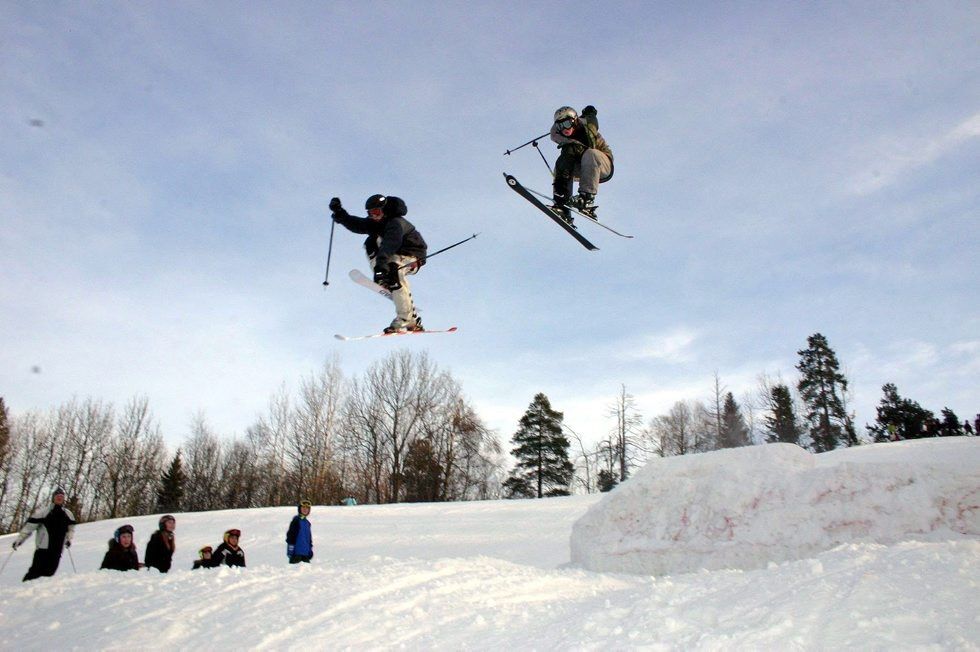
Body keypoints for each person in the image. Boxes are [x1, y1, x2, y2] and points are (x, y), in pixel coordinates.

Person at [330, 194, 428, 333]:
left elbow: (390, 244)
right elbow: (356, 224)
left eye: (376, 212)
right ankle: (388, 280)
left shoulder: (395, 223)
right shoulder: (375, 223)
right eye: (370, 213)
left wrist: (382, 266)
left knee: (394, 270)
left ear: (385, 210)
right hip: (392, 255)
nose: (374, 216)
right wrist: (339, 213)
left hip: (411, 255)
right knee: (370, 242)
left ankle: (406, 319)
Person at [549, 105, 613, 221]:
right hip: (584, 168)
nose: (565, 129)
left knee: (590, 153)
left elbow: (592, 124)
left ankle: (586, 199)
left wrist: (590, 114)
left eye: (567, 123)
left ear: (574, 121)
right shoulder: (565, 140)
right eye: (560, 126)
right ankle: (562, 205)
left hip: (603, 165)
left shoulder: (587, 129)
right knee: (561, 165)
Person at [12, 487, 76, 582]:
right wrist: (19, 540)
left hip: (57, 549)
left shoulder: (67, 514)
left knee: (50, 572)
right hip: (43, 548)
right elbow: (29, 527)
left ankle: (40, 591)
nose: (59, 498)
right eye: (57, 496)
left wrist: (69, 540)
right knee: (35, 571)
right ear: (53, 498)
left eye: (61, 496)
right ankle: (25, 587)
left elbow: (71, 529)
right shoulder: (43, 512)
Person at [286, 500, 314, 564]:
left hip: (306, 555)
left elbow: (309, 539)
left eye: (307, 508)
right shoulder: (296, 521)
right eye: (303, 507)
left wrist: (310, 550)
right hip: (296, 554)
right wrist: (290, 549)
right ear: (299, 509)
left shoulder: (307, 523)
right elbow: (290, 536)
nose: (305, 509)